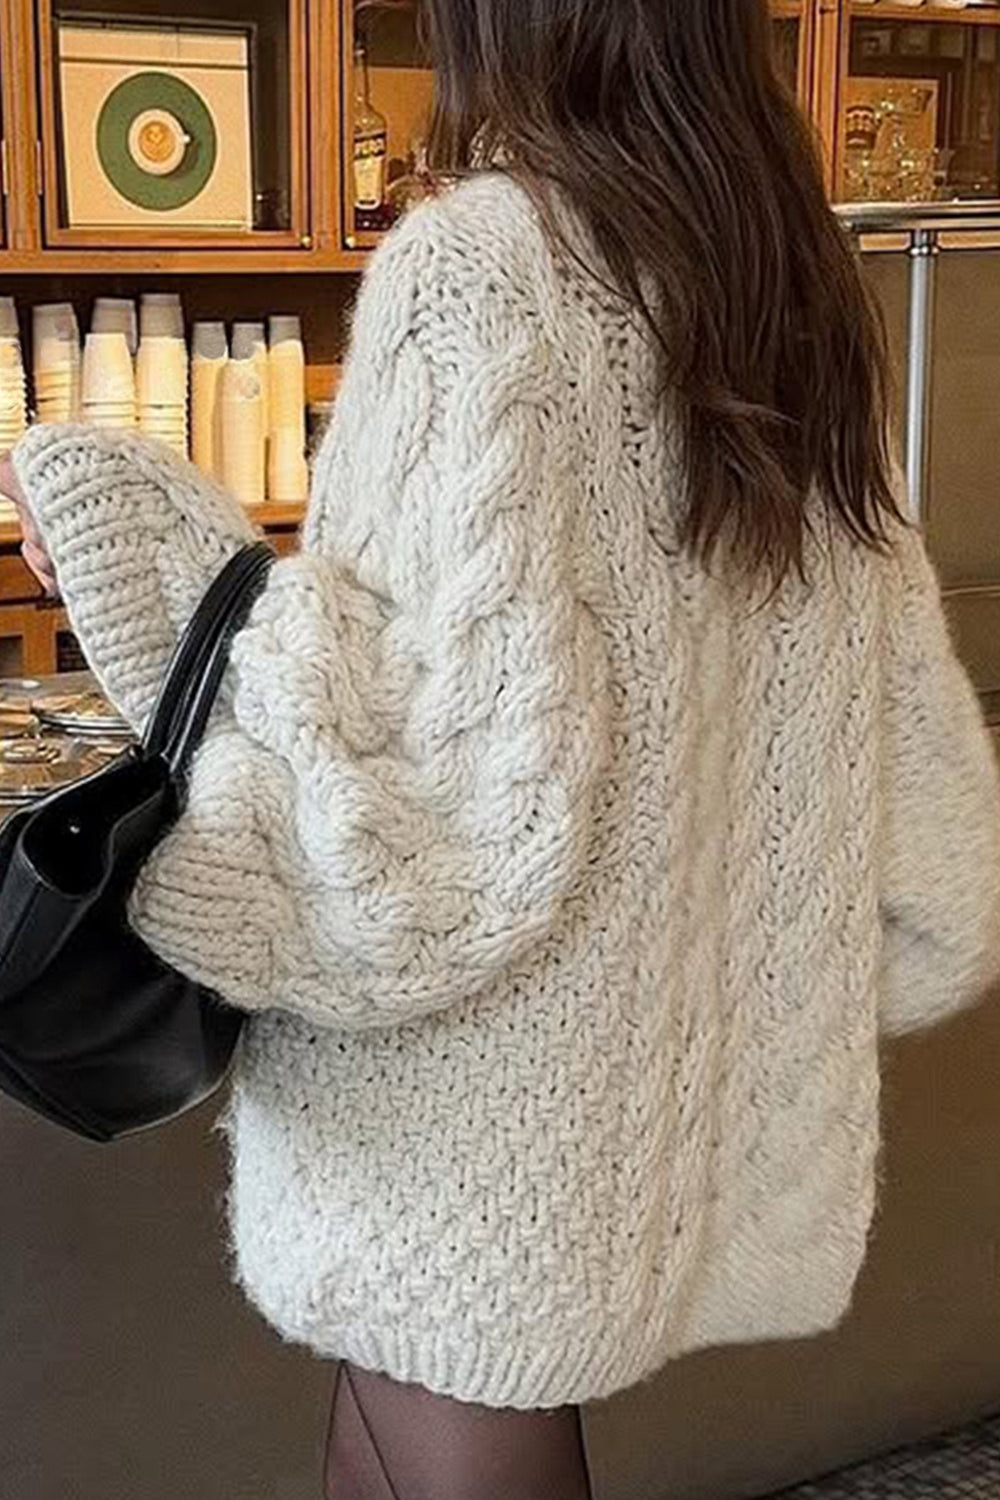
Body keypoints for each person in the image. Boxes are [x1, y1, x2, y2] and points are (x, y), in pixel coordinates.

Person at [4, 0, 1000, 1495]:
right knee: (388, 1442)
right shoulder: (787, 287)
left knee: (458, 1407)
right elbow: (896, 756)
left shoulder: (476, 271)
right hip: (619, 1077)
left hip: (467, 1088)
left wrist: (140, 543)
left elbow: (403, 761)